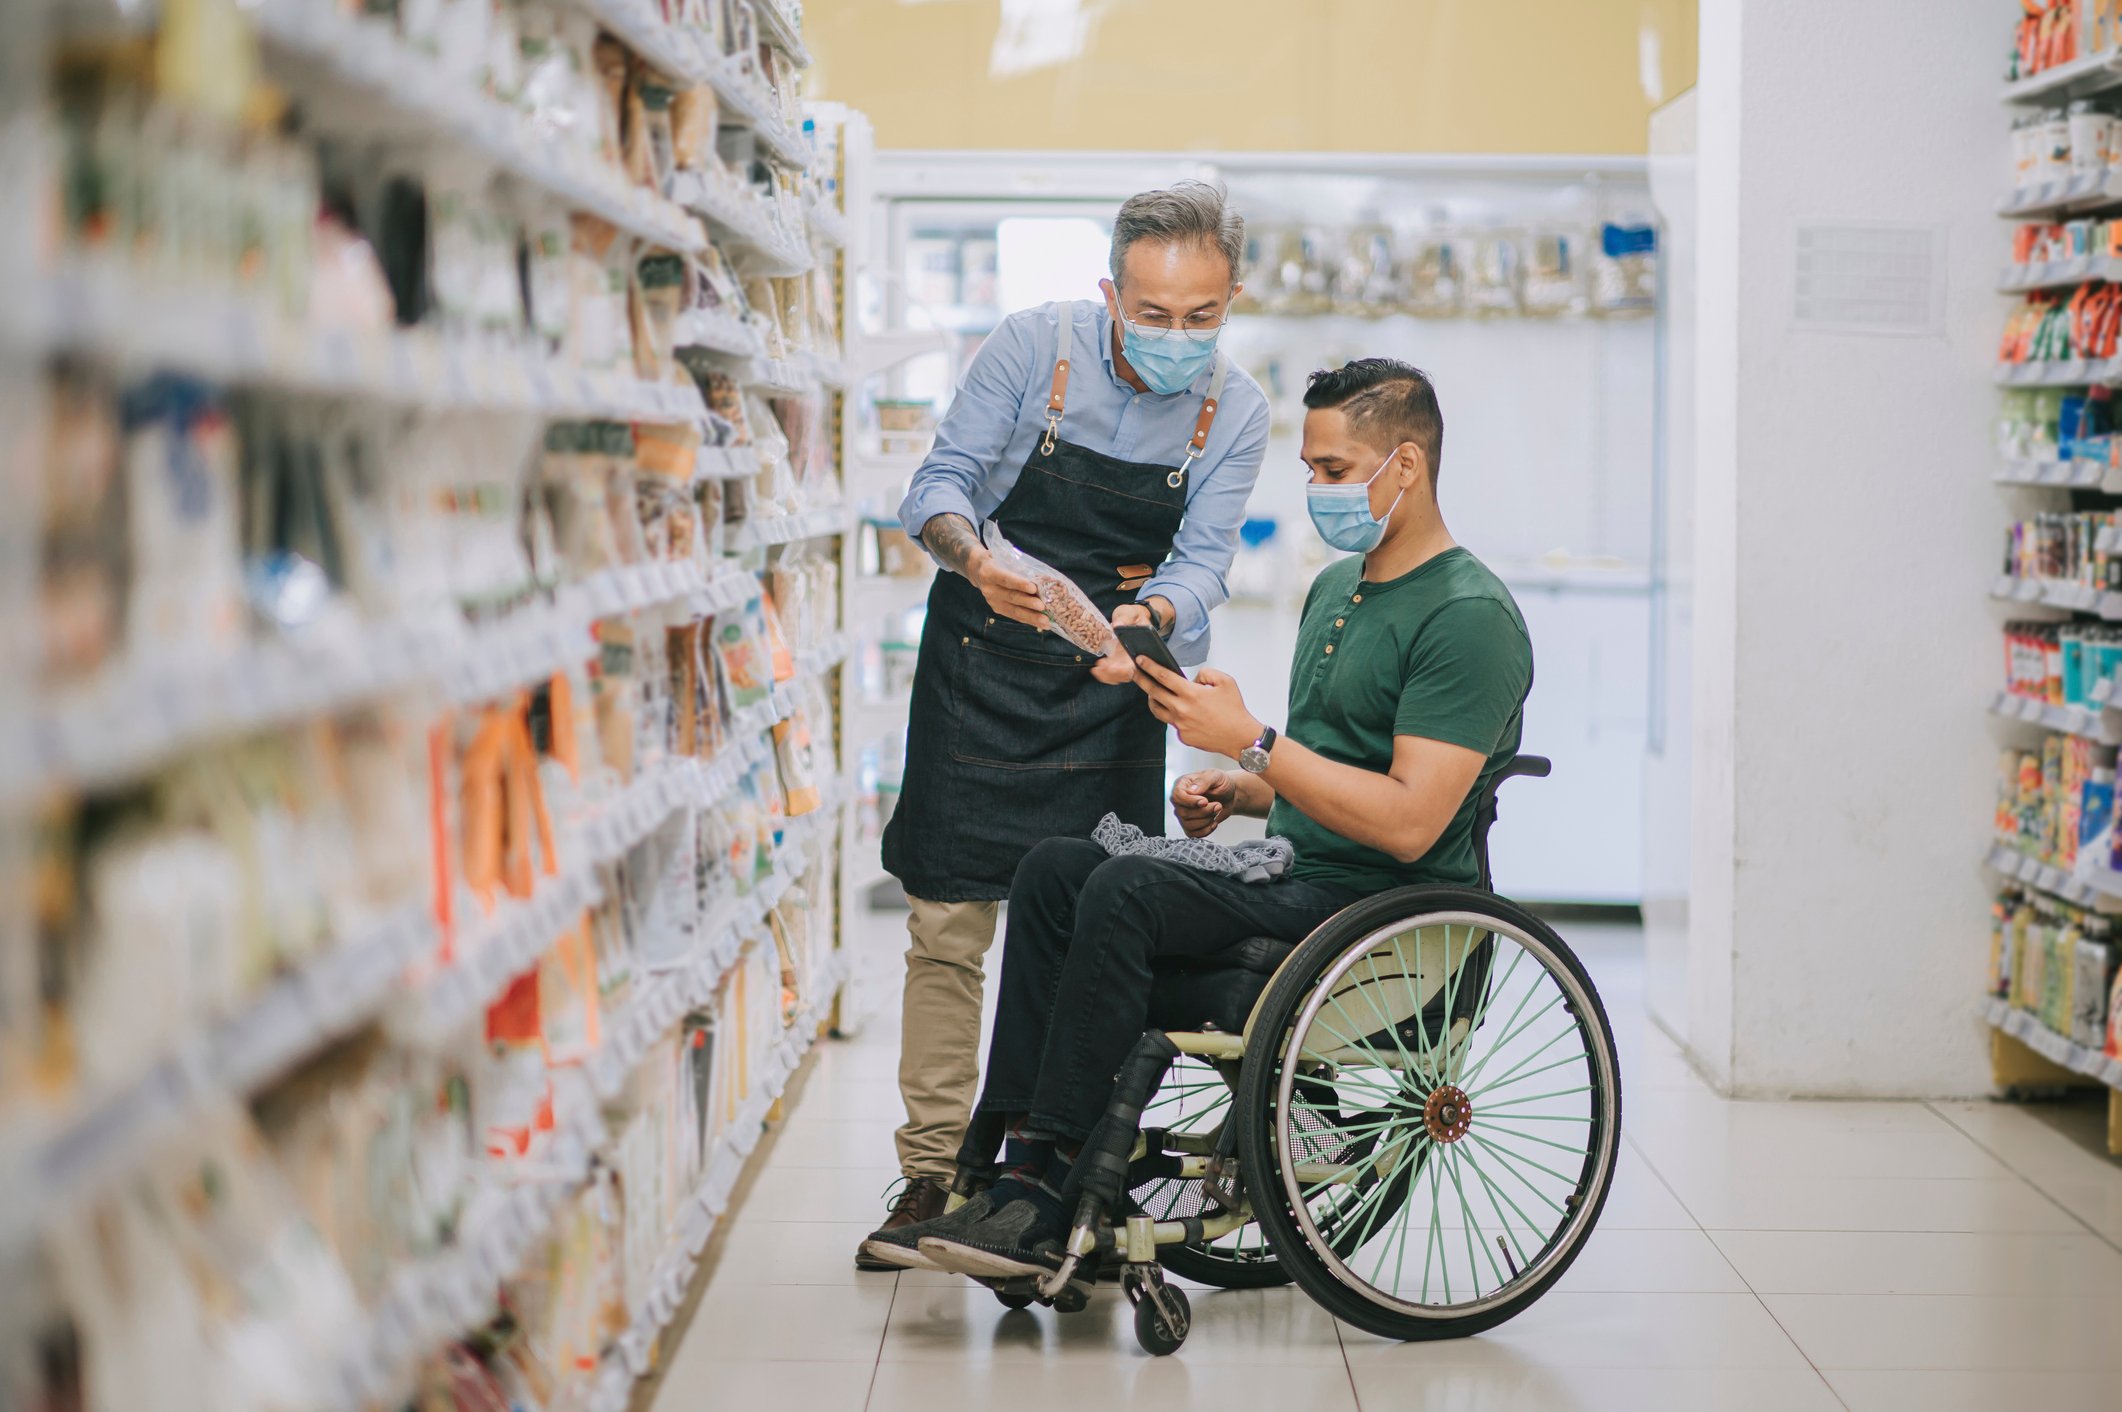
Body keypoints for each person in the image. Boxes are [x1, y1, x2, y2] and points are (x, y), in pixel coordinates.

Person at [864, 357, 1535, 1278]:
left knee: (1130, 887)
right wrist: (1242, 789)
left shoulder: (1468, 617)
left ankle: (1049, 1182)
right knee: (1059, 868)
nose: (1316, 490)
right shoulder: (1340, 591)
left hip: (1387, 913)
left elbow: (1413, 823)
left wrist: (1253, 743)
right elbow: (1335, 773)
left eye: (1335, 472)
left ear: (1406, 466)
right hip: (1300, 876)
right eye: (1310, 470)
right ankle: (998, 1166)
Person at [859, 181, 1271, 1268]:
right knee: (947, 929)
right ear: (1109, 291)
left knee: (1093, 925)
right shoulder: (1028, 349)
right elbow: (938, 485)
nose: (1177, 337)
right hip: (979, 662)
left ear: (1231, 298)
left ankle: (1043, 1161)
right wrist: (976, 558)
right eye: (1153, 312)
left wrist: (1156, 611)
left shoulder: (1236, 409)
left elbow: (1203, 562)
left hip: (1108, 683)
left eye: (1201, 316)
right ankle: (931, 1169)